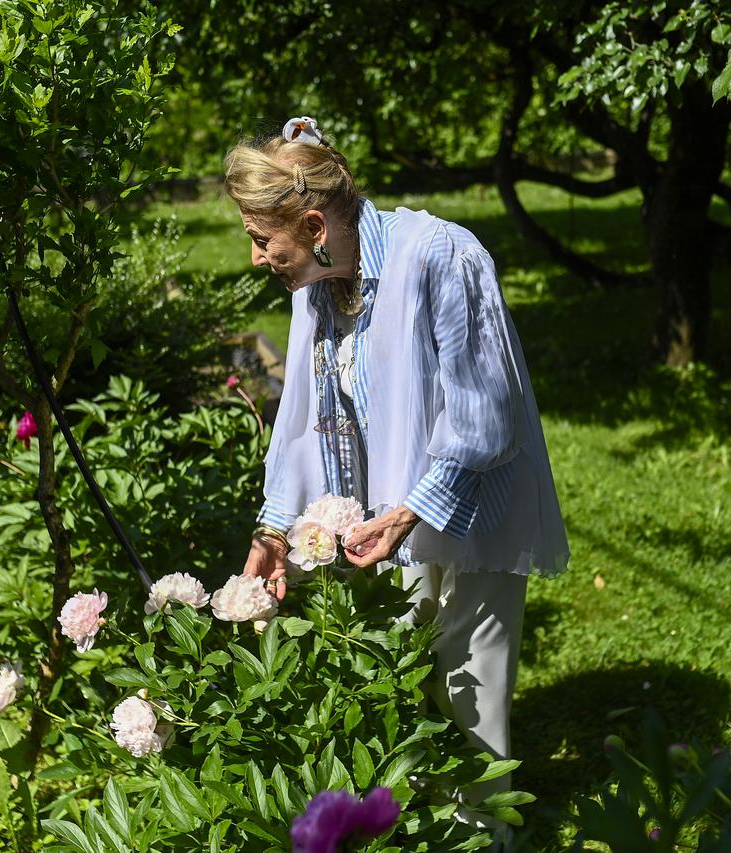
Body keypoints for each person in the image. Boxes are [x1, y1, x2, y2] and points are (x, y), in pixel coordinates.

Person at [227, 116, 568, 824]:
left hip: (474, 503)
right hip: (386, 519)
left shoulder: (440, 255)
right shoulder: (316, 285)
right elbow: (300, 411)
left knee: (472, 693)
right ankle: (411, 833)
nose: (256, 256)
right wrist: (275, 526)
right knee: (405, 688)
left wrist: (411, 511)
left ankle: (483, 839)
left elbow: (485, 416)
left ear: (315, 224)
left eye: (263, 239)